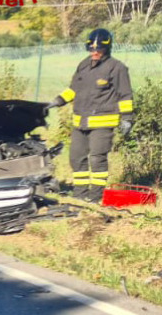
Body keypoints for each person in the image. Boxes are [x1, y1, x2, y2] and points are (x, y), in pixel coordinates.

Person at [47, 28, 134, 201]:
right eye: (91, 49)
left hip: (103, 123)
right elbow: (73, 90)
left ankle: (95, 197)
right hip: (80, 123)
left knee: (97, 158)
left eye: (98, 49)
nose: (94, 52)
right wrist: (56, 101)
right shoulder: (83, 65)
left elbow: (125, 95)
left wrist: (127, 119)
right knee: (76, 158)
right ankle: (80, 195)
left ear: (107, 48)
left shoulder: (117, 68)